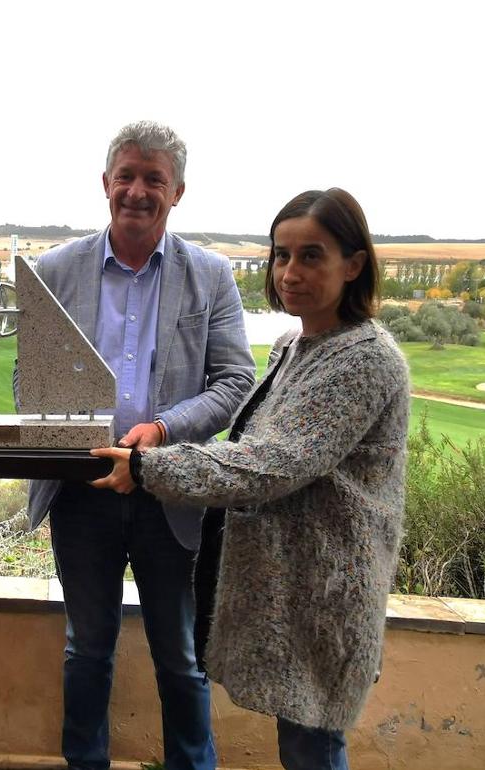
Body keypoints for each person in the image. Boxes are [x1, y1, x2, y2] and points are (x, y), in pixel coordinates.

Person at [92, 188, 411, 770]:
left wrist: (146, 464)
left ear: (354, 264)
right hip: (298, 586)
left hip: (325, 592)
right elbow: (254, 452)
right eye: (280, 255)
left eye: (311, 256)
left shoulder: (365, 357)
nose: (290, 273)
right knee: (302, 743)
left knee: (312, 746)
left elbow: (272, 463)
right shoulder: (296, 344)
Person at [17, 121, 255, 770]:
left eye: (154, 178)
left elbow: (236, 379)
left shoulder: (210, 276)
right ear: (105, 184)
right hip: (83, 490)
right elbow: (26, 378)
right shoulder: (56, 269)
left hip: (170, 491)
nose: (138, 190)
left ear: (177, 191)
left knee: (180, 654)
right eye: (127, 175)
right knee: (87, 647)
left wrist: (163, 433)